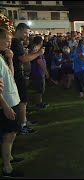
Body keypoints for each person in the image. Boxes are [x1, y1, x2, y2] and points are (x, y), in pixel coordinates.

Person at [11, 23, 44, 134]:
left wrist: (32, 52)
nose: (26, 35)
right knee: (23, 101)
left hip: (19, 73)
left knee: (23, 100)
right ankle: (22, 125)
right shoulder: (15, 42)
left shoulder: (17, 42)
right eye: (25, 32)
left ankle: (23, 121)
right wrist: (38, 53)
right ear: (19, 30)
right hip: (18, 74)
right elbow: (24, 59)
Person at [0, 27, 24, 177]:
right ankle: (7, 168)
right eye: (7, 40)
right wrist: (5, 106)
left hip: (12, 99)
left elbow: (10, 75)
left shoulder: (2, 56)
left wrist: (10, 59)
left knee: (13, 133)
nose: (9, 44)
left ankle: (9, 158)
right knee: (9, 135)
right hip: (7, 102)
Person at [30, 36, 50, 109]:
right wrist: (46, 72)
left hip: (37, 71)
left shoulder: (35, 49)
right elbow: (40, 61)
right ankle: (39, 104)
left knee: (40, 88)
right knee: (40, 88)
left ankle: (40, 102)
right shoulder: (36, 50)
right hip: (38, 72)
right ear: (41, 42)